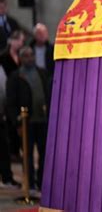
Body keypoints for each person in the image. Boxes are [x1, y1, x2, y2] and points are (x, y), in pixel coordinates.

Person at [6, 46, 51, 190]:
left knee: (44, 153)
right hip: (26, 122)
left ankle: (42, 183)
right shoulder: (16, 76)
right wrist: (17, 122)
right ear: (20, 58)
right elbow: (11, 102)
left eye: (31, 55)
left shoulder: (42, 73)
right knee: (28, 155)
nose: (30, 58)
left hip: (42, 121)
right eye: (26, 56)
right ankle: (30, 184)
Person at [0, 30, 25, 160]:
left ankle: (21, 150)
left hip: (19, 92)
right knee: (11, 124)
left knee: (20, 124)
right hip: (8, 93)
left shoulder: (22, 56)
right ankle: (13, 152)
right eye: (20, 40)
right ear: (14, 41)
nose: (22, 43)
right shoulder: (3, 57)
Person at [0, 64, 21, 188]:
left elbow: (4, 91)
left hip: (1, 115)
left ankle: (7, 178)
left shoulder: (2, 67)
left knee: (3, 149)